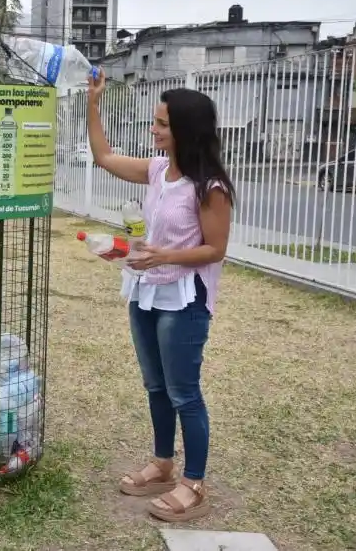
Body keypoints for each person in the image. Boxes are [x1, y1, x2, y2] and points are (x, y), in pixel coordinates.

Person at [85, 69, 235, 523]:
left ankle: (195, 484)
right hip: (145, 292)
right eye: (155, 121)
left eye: (162, 124)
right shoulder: (157, 171)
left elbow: (215, 249)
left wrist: (164, 255)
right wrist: (93, 102)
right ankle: (163, 464)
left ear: (185, 129)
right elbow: (104, 157)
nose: (153, 129)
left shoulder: (209, 187)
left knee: (184, 392)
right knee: (156, 387)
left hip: (183, 300)